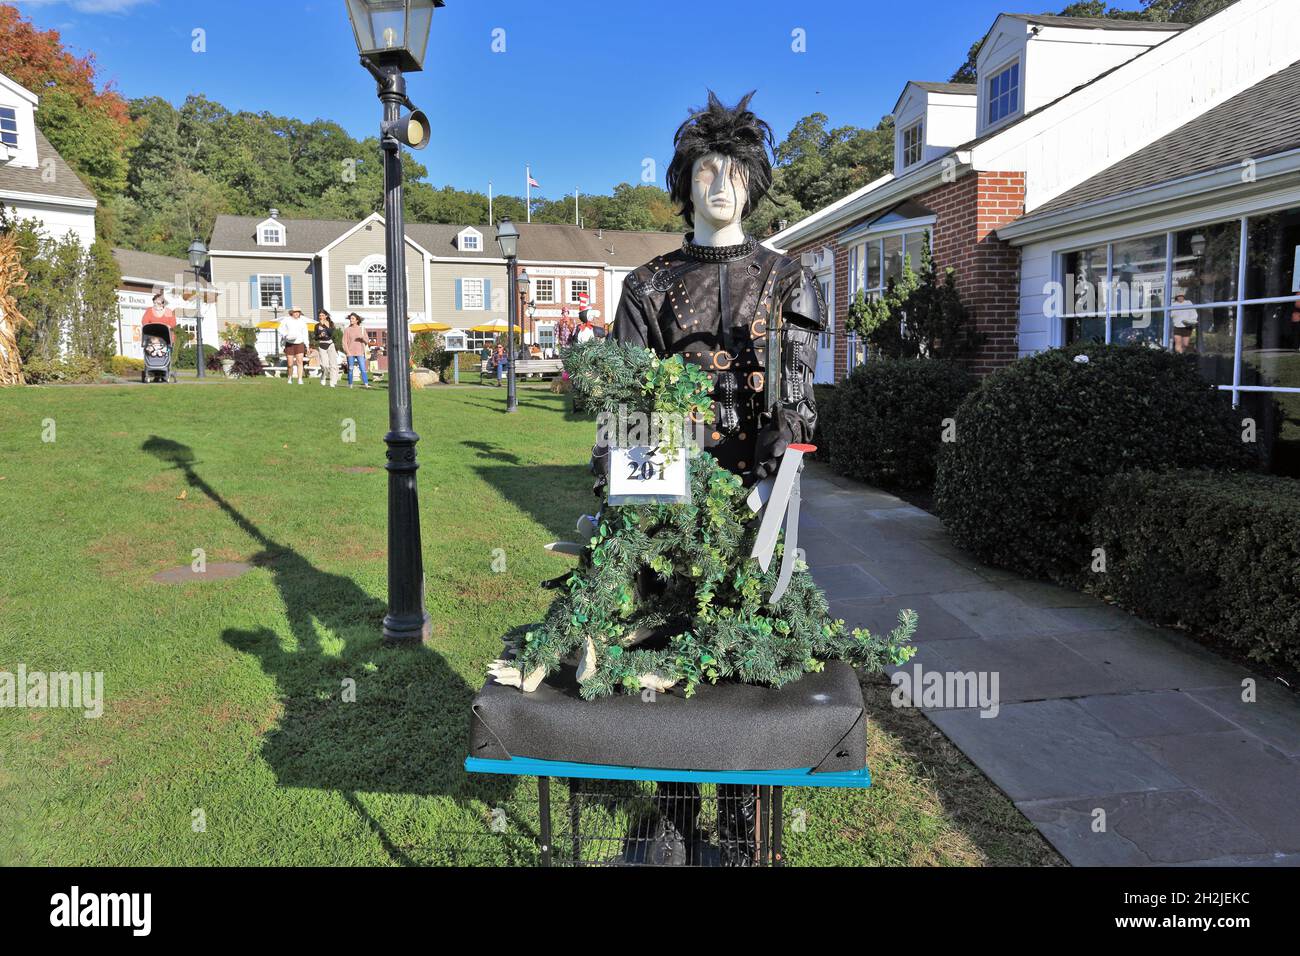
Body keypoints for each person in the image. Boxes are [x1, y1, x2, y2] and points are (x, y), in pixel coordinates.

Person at [279, 308, 310, 384]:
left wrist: (307, 346)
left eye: (298, 312)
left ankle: (300, 379)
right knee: (290, 364)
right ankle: (290, 377)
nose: (296, 313)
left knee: (300, 362)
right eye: (295, 312)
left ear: (299, 313)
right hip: (289, 343)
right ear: (292, 313)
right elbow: (280, 329)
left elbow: (305, 334)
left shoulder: (302, 322)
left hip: (300, 343)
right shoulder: (286, 320)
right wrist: (285, 334)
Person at [343, 313, 370, 388]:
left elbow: (367, 340)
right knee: (350, 369)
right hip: (350, 353)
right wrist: (347, 352)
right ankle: (350, 384)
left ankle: (366, 384)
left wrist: (362, 338)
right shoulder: (347, 330)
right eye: (350, 319)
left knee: (363, 369)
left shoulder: (361, 329)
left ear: (357, 320)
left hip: (360, 352)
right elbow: (344, 342)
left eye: (353, 319)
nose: (351, 320)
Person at [315, 310, 340, 387]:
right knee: (324, 365)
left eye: (322, 315)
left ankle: (333, 381)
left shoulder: (331, 323)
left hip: (330, 344)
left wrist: (326, 326)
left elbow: (331, 334)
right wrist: (319, 336)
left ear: (326, 316)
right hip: (322, 345)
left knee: (333, 364)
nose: (321, 317)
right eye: (320, 316)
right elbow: (315, 337)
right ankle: (323, 376)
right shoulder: (316, 325)